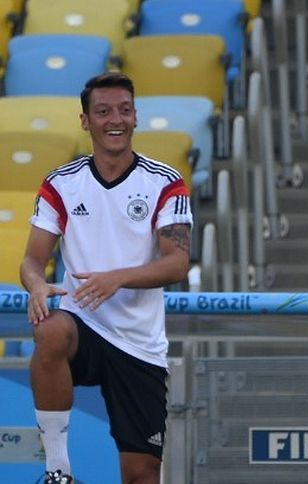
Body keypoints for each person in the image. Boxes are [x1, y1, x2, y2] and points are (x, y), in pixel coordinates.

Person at [20, 72, 193, 484]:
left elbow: (177, 263)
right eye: (103, 112)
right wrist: (38, 285)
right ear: (85, 121)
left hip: (139, 342)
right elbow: (31, 259)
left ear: (135, 118)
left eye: (124, 110)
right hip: (83, 324)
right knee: (50, 329)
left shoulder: (166, 182)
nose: (115, 119)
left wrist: (118, 278)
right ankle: (58, 471)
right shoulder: (61, 183)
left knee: (142, 474)